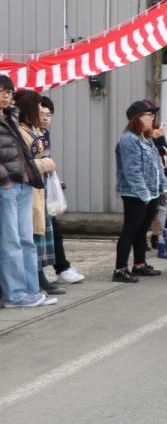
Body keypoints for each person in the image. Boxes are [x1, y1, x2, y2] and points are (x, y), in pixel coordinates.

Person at [0, 78, 55, 308]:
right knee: (11, 241)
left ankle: (32, 290)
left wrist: (30, 174)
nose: (5, 95)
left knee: (26, 239)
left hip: (23, 183)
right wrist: (4, 181)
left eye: (8, 92)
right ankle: (15, 294)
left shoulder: (11, 115)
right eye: (1, 91)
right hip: (7, 186)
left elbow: (23, 152)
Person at [113, 100, 167, 283]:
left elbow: (157, 166)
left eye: (153, 114)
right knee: (130, 230)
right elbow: (132, 171)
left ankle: (139, 264)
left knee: (141, 230)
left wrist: (165, 186)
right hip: (135, 194)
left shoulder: (145, 138)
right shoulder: (128, 139)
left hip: (151, 192)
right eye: (148, 115)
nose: (152, 117)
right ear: (137, 118)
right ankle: (120, 269)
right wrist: (143, 194)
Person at [15, 91, 63, 297]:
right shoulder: (20, 131)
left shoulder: (34, 131)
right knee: (32, 235)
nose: (42, 115)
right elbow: (25, 163)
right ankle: (35, 278)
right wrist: (48, 163)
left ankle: (39, 275)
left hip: (39, 188)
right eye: (38, 109)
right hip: (30, 188)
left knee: (41, 233)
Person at [39, 96, 85, 286]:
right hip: (34, 190)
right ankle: (53, 270)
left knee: (51, 231)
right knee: (40, 233)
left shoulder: (44, 134)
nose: (45, 118)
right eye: (41, 114)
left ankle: (57, 268)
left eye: (49, 115)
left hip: (45, 189)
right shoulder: (28, 132)